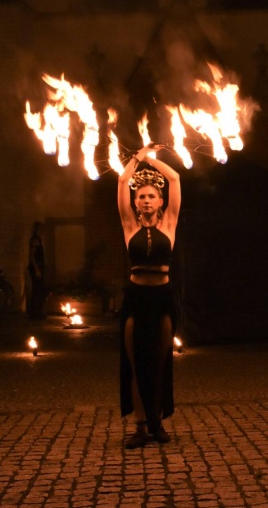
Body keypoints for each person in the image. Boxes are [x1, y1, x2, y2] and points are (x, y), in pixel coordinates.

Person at [118, 144, 181, 449]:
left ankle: (157, 423)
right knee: (134, 361)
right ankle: (140, 427)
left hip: (163, 299)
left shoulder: (169, 224)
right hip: (136, 298)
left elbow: (176, 178)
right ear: (135, 201)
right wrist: (136, 157)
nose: (145, 200)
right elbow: (121, 181)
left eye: (151, 196)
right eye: (141, 196)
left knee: (159, 360)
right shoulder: (129, 225)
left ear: (160, 201)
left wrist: (152, 158)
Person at [27, 222, 47, 319]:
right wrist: (36, 269)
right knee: (37, 290)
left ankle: (37, 312)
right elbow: (31, 256)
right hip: (36, 268)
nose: (41, 231)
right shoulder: (35, 240)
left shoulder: (38, 240)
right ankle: (34, 313)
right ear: (35, 230)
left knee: (39, 289)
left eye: (42, 229)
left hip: (39, 267)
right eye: (40, 229)